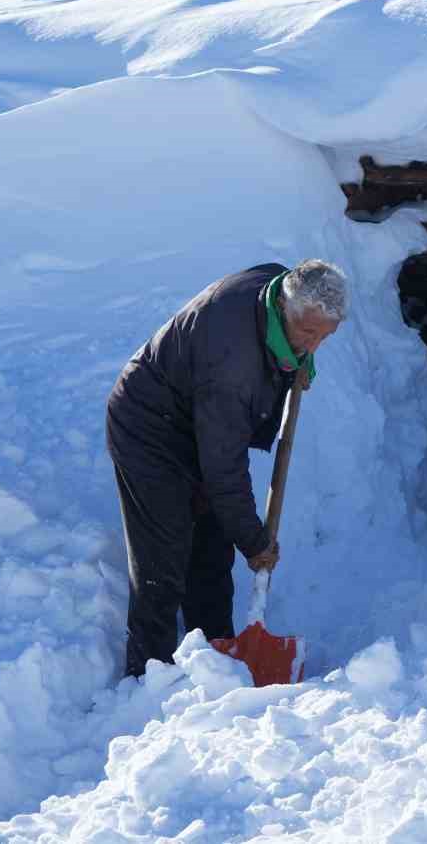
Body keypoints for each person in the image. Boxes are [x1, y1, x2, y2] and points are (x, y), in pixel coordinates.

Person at [105, 259, 348, 677]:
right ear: (284, 308)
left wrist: (298, 358)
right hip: (150, 429)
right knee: (162, 559)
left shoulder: (280, 289)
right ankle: (146, 676)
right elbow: (224, 472)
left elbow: (220, 465)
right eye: (308, 333)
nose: (313, 346)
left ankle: (216, 656)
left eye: (325, 337)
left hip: (198, 418)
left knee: (212, 551)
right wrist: (254, 542)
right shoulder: (232, 365)